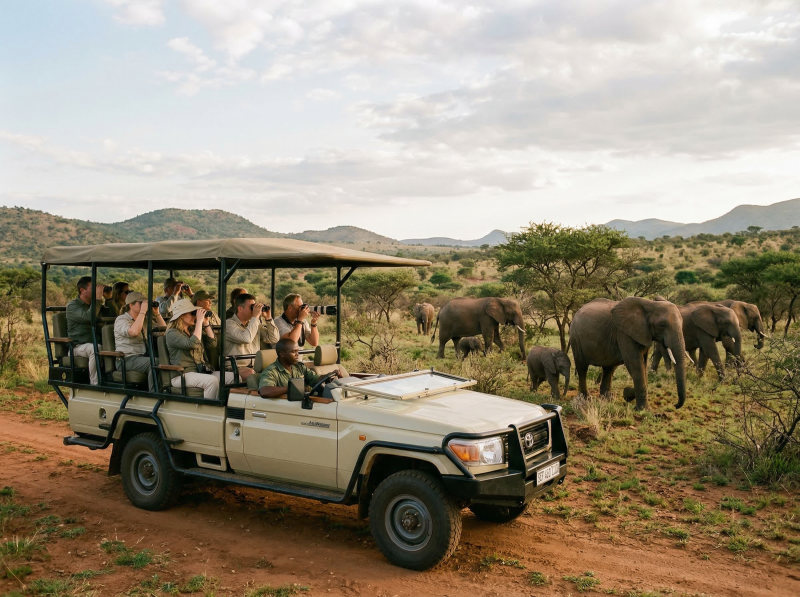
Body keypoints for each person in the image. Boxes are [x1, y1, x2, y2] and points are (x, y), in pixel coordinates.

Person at [165, 299, 234, 399]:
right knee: (212, 381)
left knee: (233, 378)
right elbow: (192, 343)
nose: (195, 316)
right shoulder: (172, 333)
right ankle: (209, 410)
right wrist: (199, 322)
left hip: (200, 371)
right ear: (181, 315)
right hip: (182, 374)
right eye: (192, 313)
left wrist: (205, 323)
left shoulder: (193, 330)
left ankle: (226, 408)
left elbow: (212, 343)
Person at [113, 291, 165, 392]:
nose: (143, 306)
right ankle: (154, 394)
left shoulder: (144, 319)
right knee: (155, 362)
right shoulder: (121, 319)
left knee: (164, 360)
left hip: (142, 357)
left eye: (144, 303)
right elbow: (134, 332)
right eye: (140, 303)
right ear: (131, 305)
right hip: (126, 359)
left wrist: (157, 313)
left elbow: (163, 331)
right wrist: (142, 312)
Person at [258, 338, 340, 401]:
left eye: (298, 351)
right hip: (287, 407)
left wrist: (330, 375)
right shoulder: (271, 371)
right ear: (282, 354)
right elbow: (265, 391)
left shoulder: (299, 366)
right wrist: (292, 388)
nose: (297, 354)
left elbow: (316, 379)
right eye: (294, 352)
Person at [225, 293, 280, 378]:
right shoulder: (229, 324)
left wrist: (268, 318)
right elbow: (246, 339)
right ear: (240, 308)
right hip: (235, 368)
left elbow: (274, 339)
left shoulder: (254, 324)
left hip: (254, 367)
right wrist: (255, 317)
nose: (254, 310)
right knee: (252, 374)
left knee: (278, 371)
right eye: (252, 307)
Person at [66, 276, 105, 385]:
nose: (96, 291)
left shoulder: (95, 305)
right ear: (82, 290)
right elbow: (89, 318)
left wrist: (109, 298)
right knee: (95, 349)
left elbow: (113, 315)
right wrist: (97, 300)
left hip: (95, 342)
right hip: (77, 346)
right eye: (93, 288)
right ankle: (95, 383)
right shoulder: (72, 306)